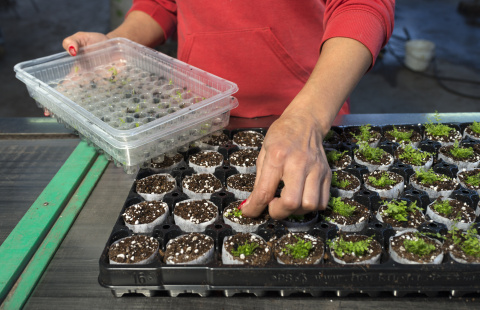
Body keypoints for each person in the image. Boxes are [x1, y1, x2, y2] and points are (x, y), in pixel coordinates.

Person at [63, 0, 395, 219]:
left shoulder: (306, 121)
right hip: (197, 116)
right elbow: (161, 4)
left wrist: (307, 118)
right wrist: (116, 44)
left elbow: (362, 6)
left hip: (305, 120)